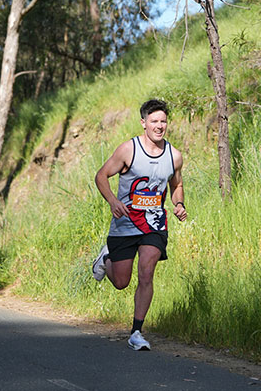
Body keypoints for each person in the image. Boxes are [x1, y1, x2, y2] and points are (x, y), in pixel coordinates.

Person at [91, 99, 187, 351]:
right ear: (143, 123)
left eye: (163, 121)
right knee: (121, 281)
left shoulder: (174, 155)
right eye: (154, 121)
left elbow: (176, 185)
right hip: (124, 224)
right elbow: (101, 175)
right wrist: (112, 201)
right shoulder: (128, 150)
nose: (159, 126)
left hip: (154, 224)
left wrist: (178, 204)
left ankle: (136, 331)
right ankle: (106, 259)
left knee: (146, 272)